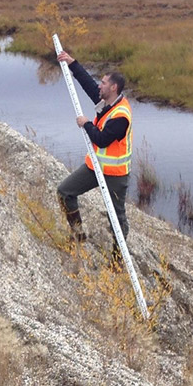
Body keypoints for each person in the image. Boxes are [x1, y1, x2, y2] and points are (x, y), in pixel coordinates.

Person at [55, 48, 132, 261]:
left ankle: (118, 260)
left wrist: (86, 123)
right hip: (95, 167)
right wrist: (72, 63)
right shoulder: (107, 103)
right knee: (65, 192)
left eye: (104, 83)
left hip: (115, 175)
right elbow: (89, 86)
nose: (100, 85)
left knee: (116, 219)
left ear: (114, 87)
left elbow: (101, 139)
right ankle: (78, 234)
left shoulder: (121, 115)